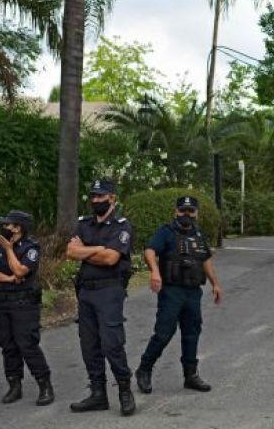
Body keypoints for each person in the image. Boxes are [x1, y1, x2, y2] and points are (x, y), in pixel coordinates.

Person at [135, 195, 223, 395]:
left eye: (191, 211)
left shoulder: (199, 234)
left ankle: (190, 375)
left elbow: (205, 259)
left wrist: (215, 284)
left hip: (193, 292)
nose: (187, 214)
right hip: (172, 291)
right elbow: (150, 250)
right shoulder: (166, 232)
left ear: (196, 213)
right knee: (164, 333)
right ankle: (144, 369)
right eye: (183, 210)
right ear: (176, 211)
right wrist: (155, 272)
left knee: (192, 333)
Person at [66, 178, 136, 416]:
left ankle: (124, 390)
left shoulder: (121, 226)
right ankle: (98, 394)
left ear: (112, 199)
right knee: (89, 344)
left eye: (100, 196)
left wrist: (85, 251)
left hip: (110, 290)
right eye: (93, 196)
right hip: (86, 290)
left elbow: (111, 259)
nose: (95, 200)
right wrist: (98, 249)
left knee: (111, 343)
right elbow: (70, 252)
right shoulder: (83, 224)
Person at [0, 210, 53, 406]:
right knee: (7, 345)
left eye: (8, 225)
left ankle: (44, 385)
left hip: (23, 304)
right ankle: (14, 385)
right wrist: (7, 279)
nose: (4, 227)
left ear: (18, 228)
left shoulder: (30, 248)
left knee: (27, 344)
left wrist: (9, 249)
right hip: (1, 302)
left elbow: (20, 271)